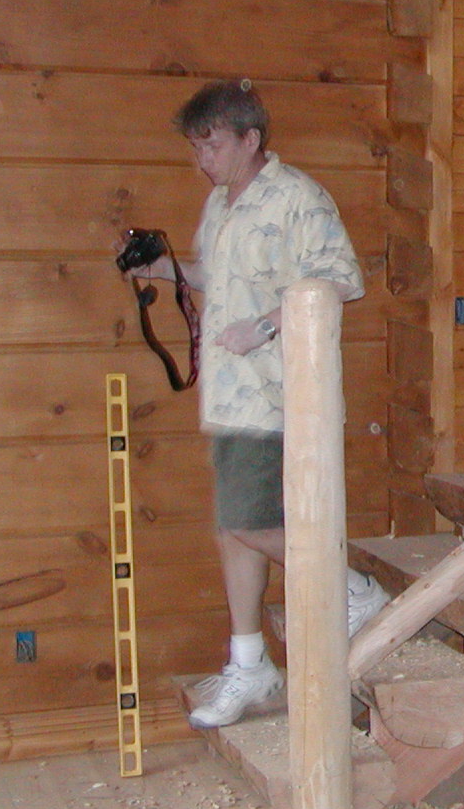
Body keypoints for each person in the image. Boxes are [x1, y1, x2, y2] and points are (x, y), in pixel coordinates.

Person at [130, 79, 385, 729]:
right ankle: (249, 662)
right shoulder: (220, 204)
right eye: (196, 147)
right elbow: (217, 280)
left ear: (251, 138)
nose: (203, 159)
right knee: (230, 527)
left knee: (245, 520)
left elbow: (339, 279)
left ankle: (351, 590)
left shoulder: (298, 197)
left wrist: (266, 325)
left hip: (284, 392)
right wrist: (164, 273)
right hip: (232, 395)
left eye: (212, 144)